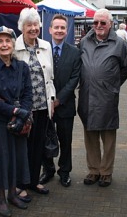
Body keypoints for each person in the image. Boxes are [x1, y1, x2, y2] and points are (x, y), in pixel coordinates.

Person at [78, 8, 127, 187]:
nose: (99, 26)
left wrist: (113, 85)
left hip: (107, 97)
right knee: (90, 135)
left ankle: (106, 172)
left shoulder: (119, 43)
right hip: (87, 95)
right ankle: (93, 170)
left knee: (108, 137)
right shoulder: (85, 41)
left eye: (103, 22)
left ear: (110, 24)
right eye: (95, 22)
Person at [0, 26, 33, 217]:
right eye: (0, 41)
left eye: (7, 41)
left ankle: (13, 194)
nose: (4, 45)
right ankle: (1, 199)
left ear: (13, 43)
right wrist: (14, 111)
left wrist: (23, 114)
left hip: (19, 120)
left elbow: (28, 93)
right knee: (0, 160)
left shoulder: (22, 67)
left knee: (16, 158)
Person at [14, 7, 56, 199]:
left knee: (38, 146)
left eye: (35, 24)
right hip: (23, 108)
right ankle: (19, 184)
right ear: (21, 27)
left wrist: (52, 100)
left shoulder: (46, 46)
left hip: (42, 105)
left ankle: (33, 181)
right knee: (22, 148)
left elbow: (50, 77)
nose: (33, 28)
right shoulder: (14, 48)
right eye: (28, 25)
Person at [39, 14, 81, 188]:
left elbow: (74, 78)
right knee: (44, 138)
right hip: (43, 104)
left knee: (66, 140)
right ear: (49, 30)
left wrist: (58, 99)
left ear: (67, 29)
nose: (59, 30)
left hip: (65, 105)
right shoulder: (42, 50)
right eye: (56, 27)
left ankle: (64, 171)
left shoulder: (75, 52)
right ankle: (48, 169)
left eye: (62, 27)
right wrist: (48, 100)